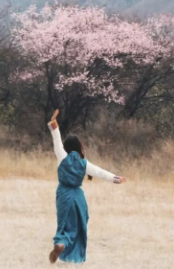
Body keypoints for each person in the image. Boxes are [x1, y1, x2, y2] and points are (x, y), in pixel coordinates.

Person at [48, 109, 125, 264]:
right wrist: (116, 179)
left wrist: (54, 123)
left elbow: (56, 138)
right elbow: (100, 172)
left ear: (66, 147)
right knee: (79, 224)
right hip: (78, 197)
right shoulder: (84, 164)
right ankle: (73, 253)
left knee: (63, 223)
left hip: (63, 194)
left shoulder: (61, 156)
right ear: (79, 147)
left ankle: (61, 243)